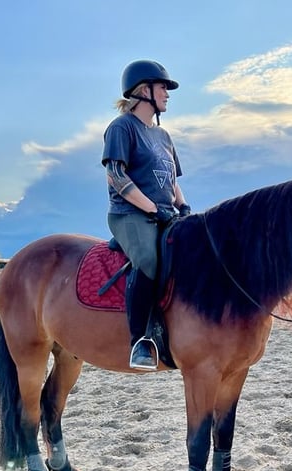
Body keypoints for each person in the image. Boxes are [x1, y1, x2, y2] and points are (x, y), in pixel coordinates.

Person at [102, 60, 191, 370]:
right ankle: (139, 341)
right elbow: (116, 176)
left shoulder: (164, 136)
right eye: (162, 87)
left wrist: (184, 209)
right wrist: (154, 209)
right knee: (149, 259)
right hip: (130, 215)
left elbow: (172, 181)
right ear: (143, 91)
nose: (167, 93)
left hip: (166, 214)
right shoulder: (121, 127)